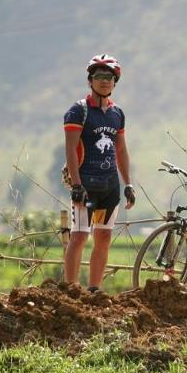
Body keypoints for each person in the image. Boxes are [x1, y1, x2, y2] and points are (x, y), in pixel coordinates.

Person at [62, 54, 135, 293]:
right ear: (90, 80)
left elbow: (121, 150)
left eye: (109, 77)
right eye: (99, 76)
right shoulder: (78, 111)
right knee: (80, 236)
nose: (104, 81)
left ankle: (94, 290)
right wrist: (76, 184)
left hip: (110, 185)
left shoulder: (118, 114)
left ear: (115, 82)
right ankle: (71, 290)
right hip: (85, 183)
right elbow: (71, 148)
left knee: (103, 238)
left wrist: (128, 184)